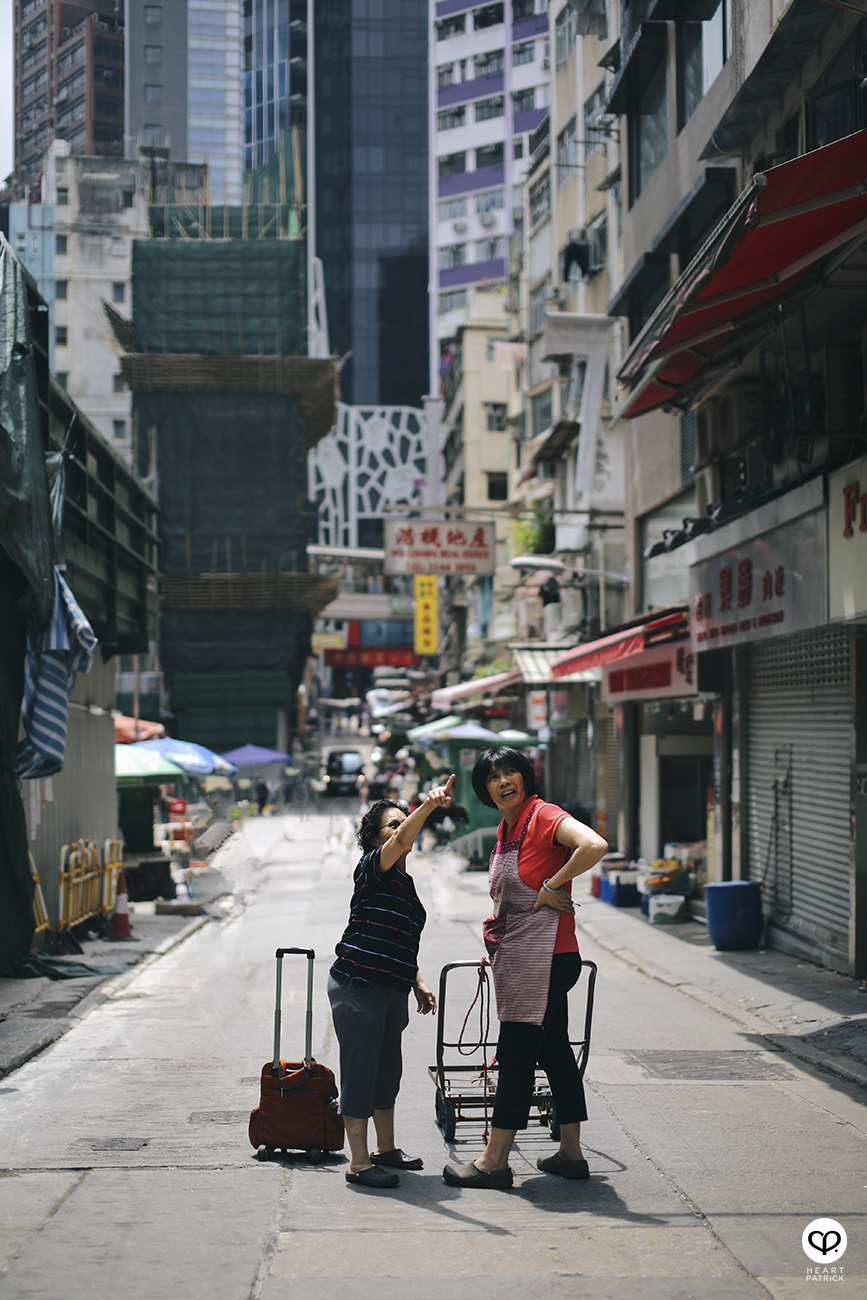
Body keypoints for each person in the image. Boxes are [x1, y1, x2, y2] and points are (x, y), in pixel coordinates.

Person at [443, 746, 607, 1190]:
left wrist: (552, 885)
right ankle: (571, 1155)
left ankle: (494, 1162)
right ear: (484, 790)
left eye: (510, 771)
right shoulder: (506, 827)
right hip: (525, 957)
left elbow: (594, 845)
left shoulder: (543, 815)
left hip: (547, 959)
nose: (503, 780)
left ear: (525, 777)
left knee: (515, 1055)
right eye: (493, 776)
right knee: (554, 1053)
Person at [328, 775, 456, 1190]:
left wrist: (416, 980)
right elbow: (399, 844)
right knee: (360, 1071)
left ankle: (386, 1150)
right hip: (358, 984)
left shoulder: (405, 882)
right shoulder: (373, 868)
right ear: (375, 839)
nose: (402, 830)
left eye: (405, 821)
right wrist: (429, 805)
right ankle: (359, 1163)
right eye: (392, 824)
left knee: (387, 1073)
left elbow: (399, 936)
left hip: (391, 987)